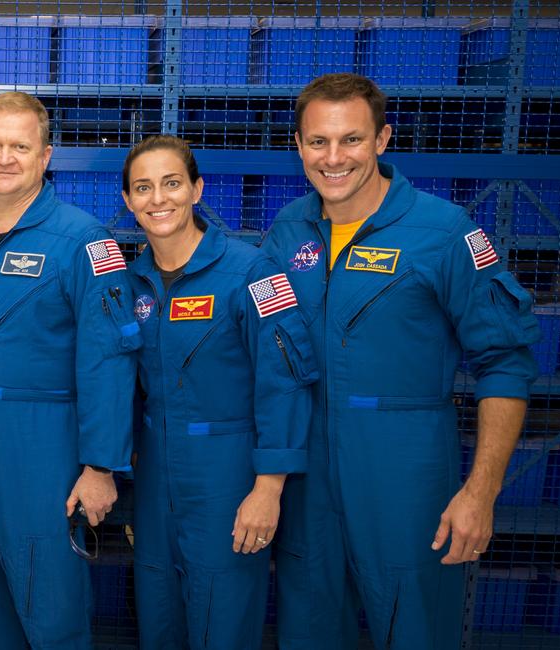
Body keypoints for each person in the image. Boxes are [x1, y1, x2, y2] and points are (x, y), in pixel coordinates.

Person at [260, 73, 540, 649]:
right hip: (307, 475)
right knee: (309, 627)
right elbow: (263, 350)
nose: (333, 158)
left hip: (405, 472)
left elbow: (506, 362)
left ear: (383, 139)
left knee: (414, 628)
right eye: (318, 142)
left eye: (352, 140)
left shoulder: (443, 232)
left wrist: (480, 492)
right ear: (299, 146)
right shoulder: (287, 231)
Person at [0, 91, 141, 648]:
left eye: (19, 146)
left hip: (44, 447)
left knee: (49, 598)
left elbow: (110, 359)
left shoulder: (84, 241)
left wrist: (100, 465)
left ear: (45, 156)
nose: (5, 158)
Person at [121, 135, 317, 649]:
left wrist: (268, 488)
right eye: (143, 188)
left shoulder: (250, 271)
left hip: (227, 478)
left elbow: (285, 383)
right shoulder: (132, 282)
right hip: (155, 474)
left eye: (171, 184)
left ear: (196, 189)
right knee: (158, 616)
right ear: (128, 200)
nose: (157, 199)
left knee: (223, 622)